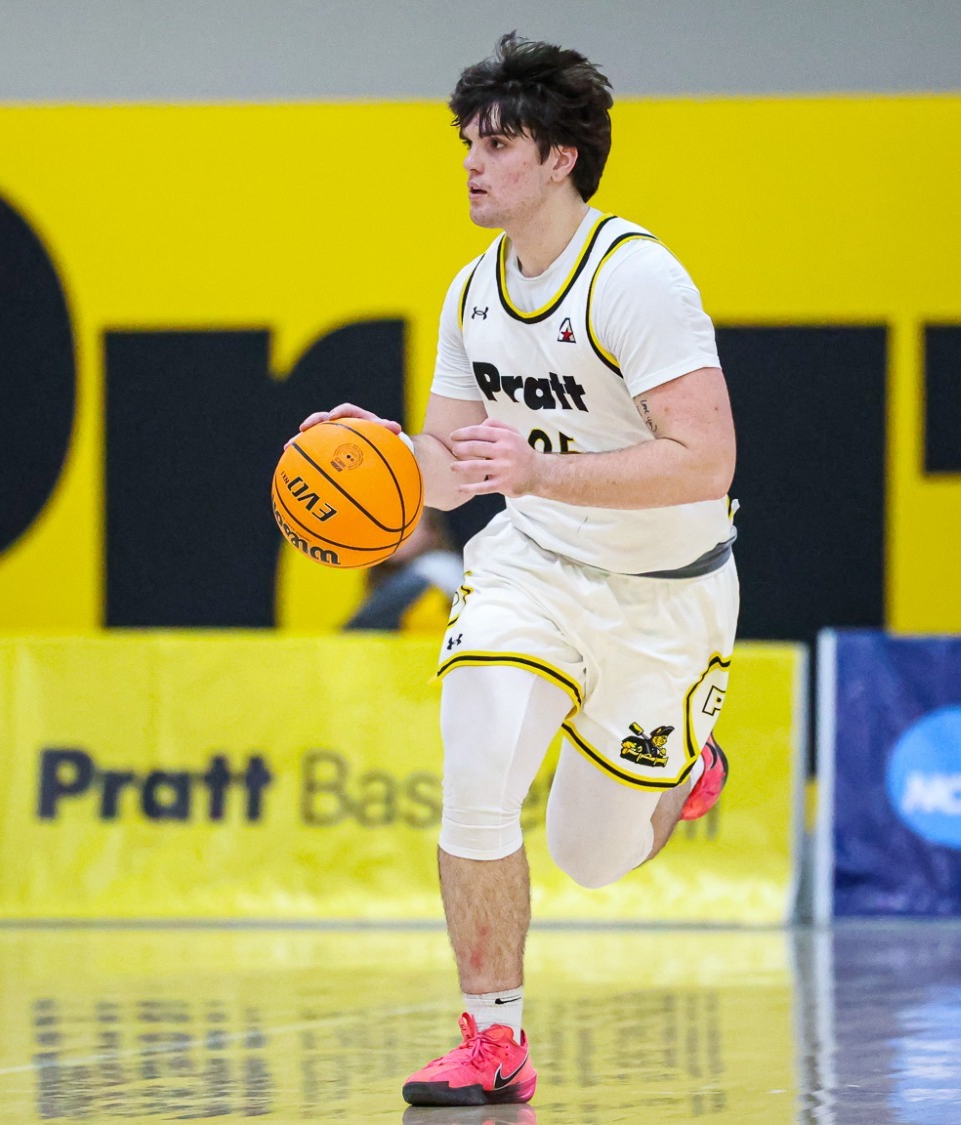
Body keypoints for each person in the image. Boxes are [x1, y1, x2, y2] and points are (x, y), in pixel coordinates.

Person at [297, 33, 738, 1108]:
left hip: (663, 593)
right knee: (477, 766)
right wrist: (384, 456)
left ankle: (681, 773)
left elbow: (705, 459)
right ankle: (492, 1039)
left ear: (559, 160)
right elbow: (451, 472)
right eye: (465, 142)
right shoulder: (470, 293)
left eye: (497, 144)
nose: (471, 162)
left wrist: (540, 470)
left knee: (589, 856)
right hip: (529, 568)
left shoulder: (636, 277)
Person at [344, 512, 466, 633]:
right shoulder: (387, 573)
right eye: (386, 527)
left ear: (431, 533)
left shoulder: (440, 565)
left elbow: (359, 628)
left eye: (407, 527)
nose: (394, 535)